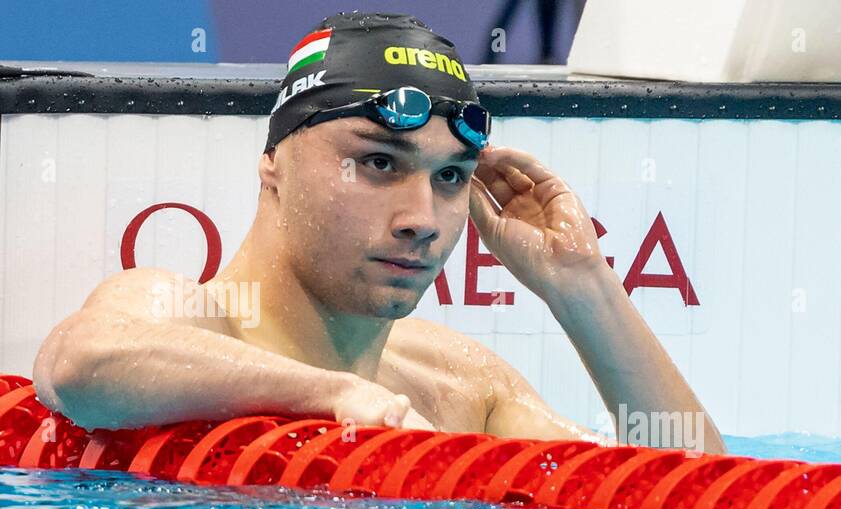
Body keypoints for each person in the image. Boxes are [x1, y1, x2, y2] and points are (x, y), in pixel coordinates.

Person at [32, 12, 724, 454]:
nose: (423, 218)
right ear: (273, 164)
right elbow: (82, 365)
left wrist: (583, 287)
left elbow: (701, 505)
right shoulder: (196, 317)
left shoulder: (453, 382)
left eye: (451, 177)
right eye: (378, 163)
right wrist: (330, 395)